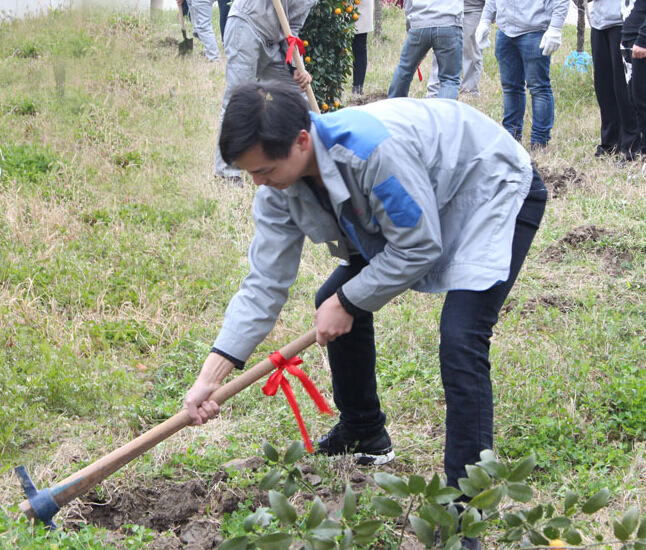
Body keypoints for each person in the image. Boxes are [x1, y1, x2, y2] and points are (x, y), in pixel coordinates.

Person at [185, 83, 548, 550]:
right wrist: (211, 375)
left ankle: (466, 515)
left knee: (461, 337)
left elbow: (418, 245)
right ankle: (364, 433)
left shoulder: (372, 153)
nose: (259, 182)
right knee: (332, 296)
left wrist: (351, 302)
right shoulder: (277, 185)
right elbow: (263, 285)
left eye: (264, 170)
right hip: (422, 202)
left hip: (487, 187)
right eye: (250, 172)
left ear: (301, 140)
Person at [213, 0, 315, 181]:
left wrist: (296, 69)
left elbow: (291, 31)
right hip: (246, 27)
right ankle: (227, 173)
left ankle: (315, 156)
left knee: (296, 96)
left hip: (274, 42)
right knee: (235, 98)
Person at [475, 0, 569, 148]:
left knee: (538, 88)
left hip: (534, 31)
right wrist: (485, 20)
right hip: (505, 32)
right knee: (510, 88)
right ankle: (511, 137)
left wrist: (556, 27)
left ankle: (539, 141)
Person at [588, 0, 639, 159]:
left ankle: (630, 146)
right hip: (598, 24)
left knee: (623, 87)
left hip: (622, 23)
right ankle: (610, 143)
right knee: (603, 87)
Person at [388, 0, 464, 99]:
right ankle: (442, 114)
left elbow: (408, 3)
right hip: (449, 22)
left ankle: (393, 109)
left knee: (405, 70)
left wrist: (410, 25)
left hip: (419, 22)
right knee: (449, 80)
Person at [426, 0, 486, 98]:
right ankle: (435, 90)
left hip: (473, 6)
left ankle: (470, 91)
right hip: (445, 6)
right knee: (442, 46)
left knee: (472, 49)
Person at [621, 0, 646, 157]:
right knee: (635, 101)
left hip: (641, 41)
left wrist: (644, 37)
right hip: (630, 39)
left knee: (643, 101)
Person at [351, 0, 375, 95]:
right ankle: (336, 90)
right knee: (338, 48)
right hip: (340, 5)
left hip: (361, 4)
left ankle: (358, 88)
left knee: (359, 46)